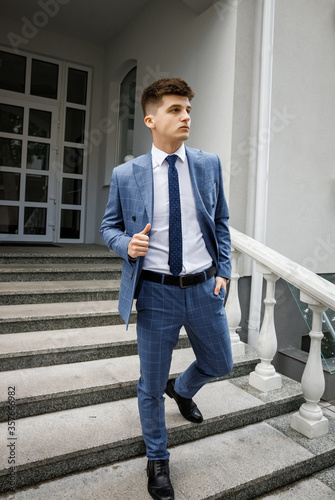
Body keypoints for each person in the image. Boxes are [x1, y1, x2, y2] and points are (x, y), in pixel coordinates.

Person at [100, 78, 233, 500]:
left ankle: (184, 388)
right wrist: (127, 244)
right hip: (155, 293)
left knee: (221, 363)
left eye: (188, 109)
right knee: (149, 384)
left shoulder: (208, 164)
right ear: (151, 119)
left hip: (203, 288)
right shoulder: (126, 174)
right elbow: (108, 228)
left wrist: (224, 271)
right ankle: (158, 460)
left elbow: (222, 222)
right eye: (176, 110)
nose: (186, 117)